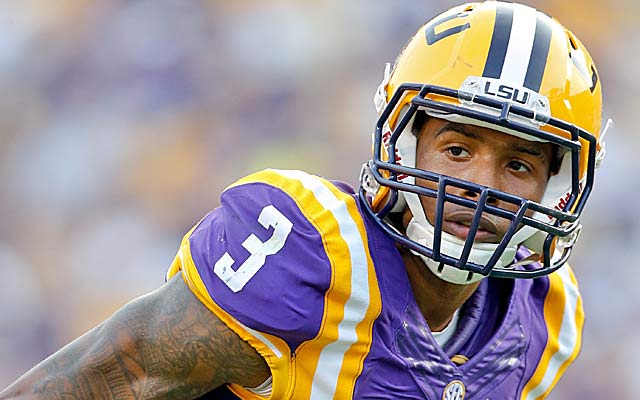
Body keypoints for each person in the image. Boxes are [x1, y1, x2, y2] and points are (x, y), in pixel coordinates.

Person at [1, 1, 609, 399]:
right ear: (402, 144)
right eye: (456, 149)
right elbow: (97, 381)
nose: (482, 184)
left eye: (519, 164)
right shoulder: (311, 253)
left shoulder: (544, 318)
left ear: (556, 186)